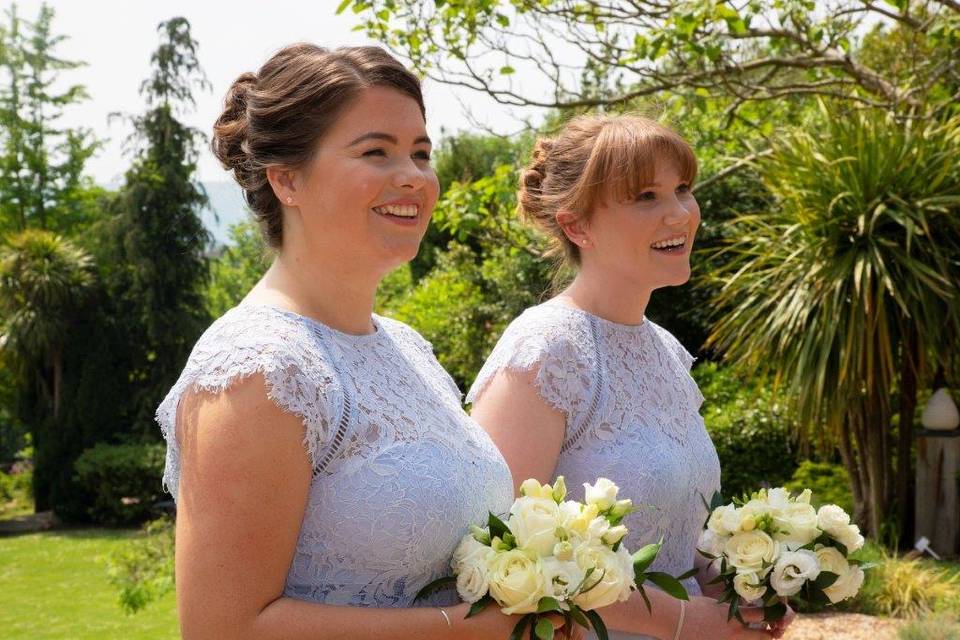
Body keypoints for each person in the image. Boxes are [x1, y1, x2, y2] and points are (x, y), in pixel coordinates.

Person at [157, 43, 575, 640]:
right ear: (287, 179)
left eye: (421, 152)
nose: (412, 175)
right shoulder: (259, 368)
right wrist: (481, 629)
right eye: (375, 152)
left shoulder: (408, 349)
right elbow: (224, 628)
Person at [467, 115, 792, 639]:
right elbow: (500, 552)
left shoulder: (666, 353)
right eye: (646, 196)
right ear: (577, 226)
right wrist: (683, 620)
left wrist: (745, 590)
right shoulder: (548, 349)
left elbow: (678, 533)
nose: (679, 213)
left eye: (683, 189)